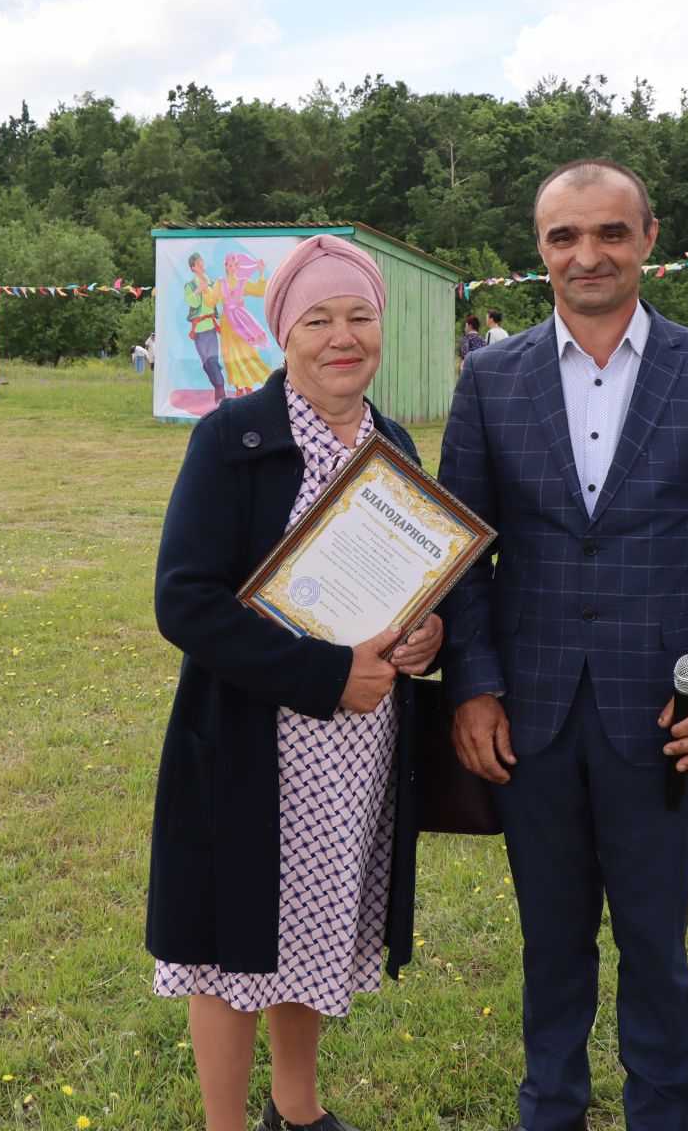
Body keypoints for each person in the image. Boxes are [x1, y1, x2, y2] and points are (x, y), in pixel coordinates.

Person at [438, 159, 688, 1131]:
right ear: (539, 248)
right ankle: (551, 1108)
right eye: (563, 236)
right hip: (529, 713)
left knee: (653, 941)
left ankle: (663, 1111)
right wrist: (472, 682)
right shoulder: (491, 379)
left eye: (609, 233)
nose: (587, 253)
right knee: (550, 941)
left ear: (647, 238)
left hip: (661, 714)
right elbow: (463, 546)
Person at [148, 233, 443, 1131]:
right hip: (251, 739)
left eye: (358, 315)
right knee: (233, 946)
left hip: (357, 744)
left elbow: (411, 584)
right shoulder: (231, 438)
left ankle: (297, 1109)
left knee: (313, 925)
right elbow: (184, 603)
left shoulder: (393, 445)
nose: (341, 336)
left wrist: (428, 635)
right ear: (285, 333)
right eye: (317, 319)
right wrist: (324, 675)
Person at [217, 252, 274, 396]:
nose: (233, 268)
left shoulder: (243, 282)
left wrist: (261, 272)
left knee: (247, 353)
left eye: (235, 265)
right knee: (231, 356)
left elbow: (260, 291)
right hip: (228, 325)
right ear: (226, 266)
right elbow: (211, 300)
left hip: (241, 322)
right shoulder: (220, 283)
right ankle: (239, 390)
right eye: (230, 265)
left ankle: (248, 389)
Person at [185, 253, 228, 407]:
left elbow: (220, 297)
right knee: (205, 363)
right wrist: (199, 290)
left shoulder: (212, 283)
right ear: (193, 268)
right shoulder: (190, 286)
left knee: (213, 360)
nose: (201, 264)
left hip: (210, 327)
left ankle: (220, 390)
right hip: (198, 330)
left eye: (201, 261)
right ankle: (218, 386)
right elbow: (192, 303)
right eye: (197, 263)